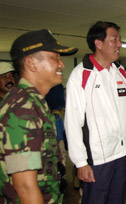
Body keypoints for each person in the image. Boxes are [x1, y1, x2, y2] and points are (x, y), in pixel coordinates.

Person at [64, 21, 126, 204]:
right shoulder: (81, 74)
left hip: (121, 154)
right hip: (98, 157)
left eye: (120, 40)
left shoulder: (120, 72)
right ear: (98, 43)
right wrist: (80, 162)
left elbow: (125, 113)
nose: (119, 44)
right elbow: (72, 122)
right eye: (114, 40)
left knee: (117, 200)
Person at [0, 29, 77, 203]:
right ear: (31, 64)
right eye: (55, 57)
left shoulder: (34, 102)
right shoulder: (22, 109)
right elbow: (25, 187)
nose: (61, 64)